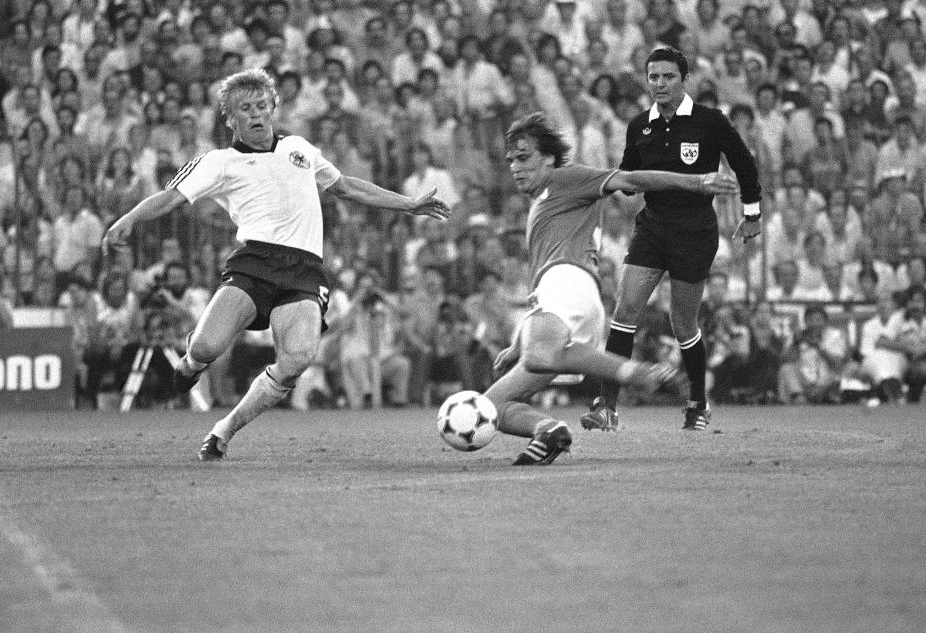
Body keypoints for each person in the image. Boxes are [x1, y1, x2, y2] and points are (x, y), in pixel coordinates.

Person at [103, 68, 449, 461]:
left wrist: (408, 204)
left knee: (297, 359)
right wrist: (127, 220)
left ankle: (224, 429)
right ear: (230, 119)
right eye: (245, 109)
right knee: (206, 346)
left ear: (273, 108)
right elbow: (168, 199)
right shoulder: (218, 163)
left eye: (262, 106)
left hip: (304, 270)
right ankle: (190, 363)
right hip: (253, 263)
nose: (255, 114)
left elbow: (348, 186)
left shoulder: (299, 149)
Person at [484, 112, 739, 466]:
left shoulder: (565, 179)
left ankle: (638, 373)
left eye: (524, 157)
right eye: (511, 160)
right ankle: (549, 431)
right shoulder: (543, 201)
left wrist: (697, 182)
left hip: (569, 284)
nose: (515, 167)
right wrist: (517, 344)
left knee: (541, 355)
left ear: (549, 159)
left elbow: (633, 178)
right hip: (556, 303)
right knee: (490, 406)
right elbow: (540, 289)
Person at [582, 48, 762, 433]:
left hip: (695, 232)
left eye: (667, 77)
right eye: (653, 77)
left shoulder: (708, 121)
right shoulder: (638, 126)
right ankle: (607, 405)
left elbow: (744, 163)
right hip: (653, 227)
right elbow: (630, 178)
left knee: (683, 323)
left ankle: (698, 403)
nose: (659, 84)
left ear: (684, 80)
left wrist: (752, 214)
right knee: (625, 311)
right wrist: (611, 187)